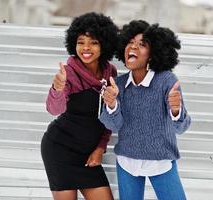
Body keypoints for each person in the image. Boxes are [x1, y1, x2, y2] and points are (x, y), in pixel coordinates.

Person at [100, 20, 191, 200]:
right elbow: (114, 125)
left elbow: (181, 127)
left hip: (161, 161)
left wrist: (176, 109)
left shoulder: (166, 80)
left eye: (142, 44)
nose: (133, 47)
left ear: (152, 54)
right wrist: (111, 105)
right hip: (127, 161)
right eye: (130, 42)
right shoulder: (118, 84)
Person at [41, 12, 118, 200]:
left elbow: (110, 117)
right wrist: (57, 89)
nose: (86, 48)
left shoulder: (110, 72)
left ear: (104, 44)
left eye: (93, 42)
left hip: (88, 154)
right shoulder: (69, 73)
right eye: (80, 41)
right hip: (60, 149)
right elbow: (54, 109)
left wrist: (100, 148)